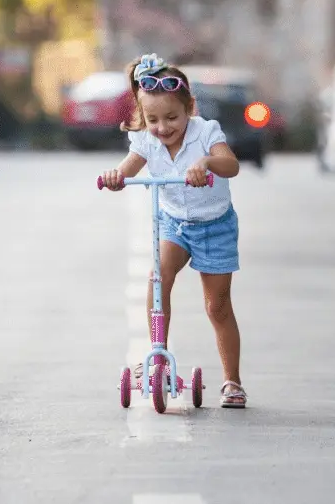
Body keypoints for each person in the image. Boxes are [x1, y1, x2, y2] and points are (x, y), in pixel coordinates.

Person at [100, 53, 247, 408]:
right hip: (174, 224)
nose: (163, 128)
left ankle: (232, 381)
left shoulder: (206, 132)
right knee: (158, 278)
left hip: (215, 226)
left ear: (189, 108)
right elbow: (128, 168)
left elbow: (232, 165)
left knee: (217, 306)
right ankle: (158, 356)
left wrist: (207, 162)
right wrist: (116, 177)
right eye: (152, 119)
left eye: (171, 118)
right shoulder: (147, 141)